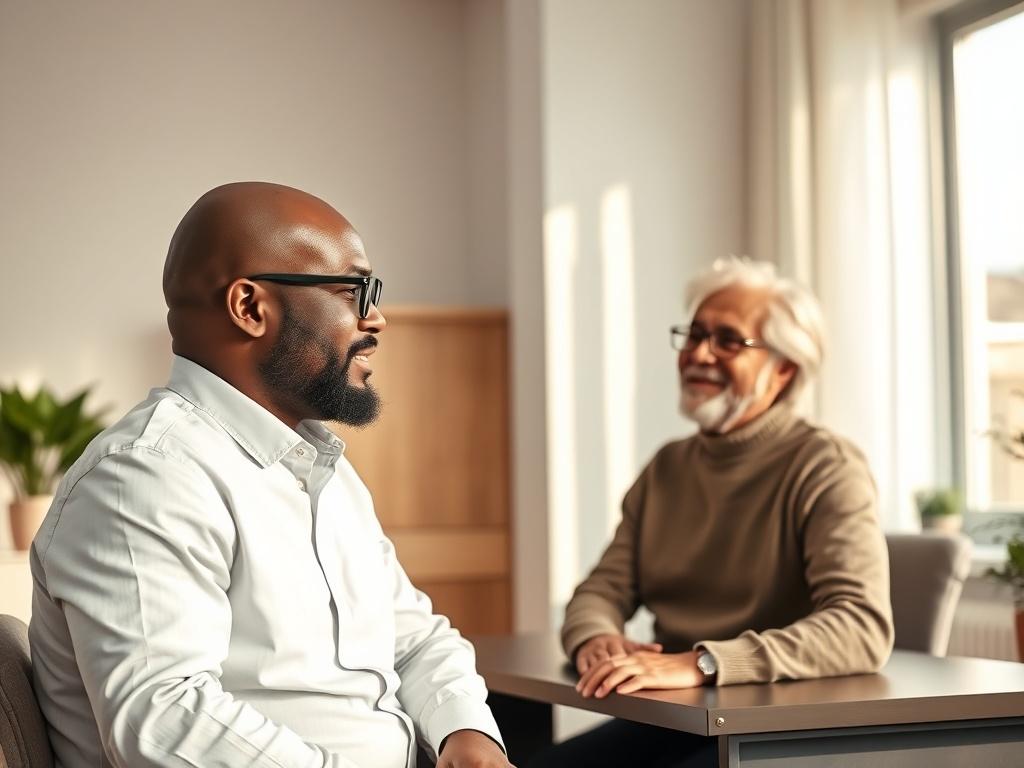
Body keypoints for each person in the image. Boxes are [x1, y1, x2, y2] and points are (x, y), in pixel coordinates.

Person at [29, 182, 512, 768]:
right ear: (250, 307)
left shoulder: (325, 475)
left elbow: (413, 636)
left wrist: (469, 737)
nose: (377, 317)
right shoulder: (144, 477)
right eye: (353, 289)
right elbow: (164, 719)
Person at [529, 257, 894, 768]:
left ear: (784, 367)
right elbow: (600, 590)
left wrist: (703, 662)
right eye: (695, 334)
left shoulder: (825, 465)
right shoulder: (668, 468)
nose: (699, 353)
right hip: (678, 717)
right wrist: (597, 638)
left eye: (728, 340)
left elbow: (860, 628)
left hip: (780, 731)